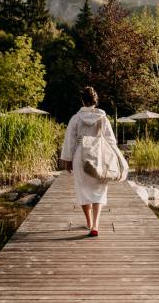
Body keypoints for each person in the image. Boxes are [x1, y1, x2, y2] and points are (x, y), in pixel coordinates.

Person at [60, 86, 117, 237]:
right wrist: (112, 157)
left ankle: (89, 222)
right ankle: (96, 225)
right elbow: (111, 140)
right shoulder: (103, 118)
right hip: (98, 155)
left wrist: (67, 159)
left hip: (80, 156)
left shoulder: (76, 118)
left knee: (83, 189)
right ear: (95, 101)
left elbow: (69, 141)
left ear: (82, 101)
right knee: (99, 189)